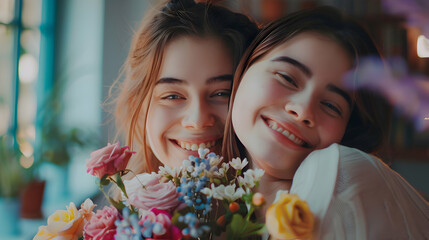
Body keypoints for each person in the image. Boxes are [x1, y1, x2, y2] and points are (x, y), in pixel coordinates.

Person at [222, 6, 429, 239]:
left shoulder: (345, 176)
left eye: (331, 106)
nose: (302, 111)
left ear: (348, 129)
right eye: (287, 78)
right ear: (245, 66)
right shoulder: (195, 195)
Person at [110, 0, 258, 177]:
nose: (197, 121)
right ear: (138, 108)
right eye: (172, 96)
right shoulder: (119, 203)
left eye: (221, 93)